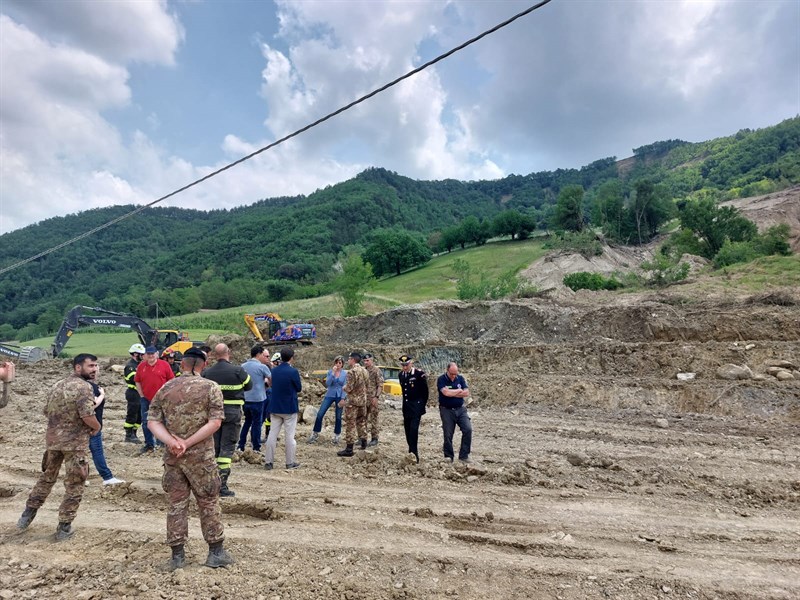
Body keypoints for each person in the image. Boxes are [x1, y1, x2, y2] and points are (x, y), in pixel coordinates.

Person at [147, 347, 234, 570]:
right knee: (208, 502)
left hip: (173, 457)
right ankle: (216, 552)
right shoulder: (210, 388)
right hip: (201, 458)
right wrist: (188, 443)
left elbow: (152, 421)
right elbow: (215, 423)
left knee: (176, 504)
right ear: (202, 365)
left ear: (181, 364)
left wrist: (173, 442)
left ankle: (177, 557)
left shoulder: (166, 388)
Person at [17, 353, 102, 541]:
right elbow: (87, 415)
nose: (95, 369)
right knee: (75, 484)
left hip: (53, 441)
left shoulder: (57, 385)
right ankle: (64, 527)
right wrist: (97, 427)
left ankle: (26, 516)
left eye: (96, 366)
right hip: (74, 444)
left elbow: (46, 411)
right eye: (91, 366)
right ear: (78, 367)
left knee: (46, 479)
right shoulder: (84, 388)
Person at [201, 343, 252, 497]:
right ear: (228, 353)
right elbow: (249, 386)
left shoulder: (208, 372)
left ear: (215, 355)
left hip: (213, 414)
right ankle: (221, 486)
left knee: (214, 448)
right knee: (227, 448)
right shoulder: (238, 370)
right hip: (232, 413)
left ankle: (210, 483)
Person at [264, 347, 302, 470]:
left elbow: (271, 384)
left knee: (272, 435)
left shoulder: (274, 371)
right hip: (289, 407)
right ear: (291, 358)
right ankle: (289, 462)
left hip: (275, 407)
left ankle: (268, 462)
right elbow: (298, 388)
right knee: (289, 436)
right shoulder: (293, 372)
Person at [135, 346, 174, 455]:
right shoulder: (141, 366)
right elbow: (137, 381)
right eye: (148, 354)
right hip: (146, 399)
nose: (151, 356)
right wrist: (141, 395)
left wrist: (167, 395)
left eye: (153, 354)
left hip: (162, 399)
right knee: (146, 422)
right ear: (145, 355)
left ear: (157, 354)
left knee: (162, 421)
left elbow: (171, 381)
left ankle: (161, 444)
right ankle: (149, 444)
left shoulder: (164, 365)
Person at [87, 374, 125, 485]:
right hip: (92, 425)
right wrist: (102, 395)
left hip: (84, 425)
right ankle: (107, 477)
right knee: (97, 451)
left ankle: (80, 478)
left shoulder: (82, 386)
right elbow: (91, 405)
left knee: (80, 453)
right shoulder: (92, 388)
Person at [238, 345, 272, 453]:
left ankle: (241, 445)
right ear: (258, 354)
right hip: (258, 399)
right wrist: (267, 386)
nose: (264, 357)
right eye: (263, 354)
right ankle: (256, 446)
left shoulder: (242, 366)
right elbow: (270, 379)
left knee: (247, 421)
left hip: (245, 398)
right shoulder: (262, 367)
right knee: (257, 423)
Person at [437, 362, 472, 463]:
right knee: (448, 434)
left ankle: (464, 456)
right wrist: (459, 391)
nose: (454, 376)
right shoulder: (441, 379)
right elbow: (445, 393)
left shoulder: (460, 378)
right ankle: (448, 456)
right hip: (446, 410)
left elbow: (466, 393)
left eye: (455, 374)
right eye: (452, 374)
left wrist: (453, 393)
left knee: (468, 429)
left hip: (460, 409)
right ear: (447, 371)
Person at [336, 351, 369, 457]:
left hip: (353, 402)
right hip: (362, 401)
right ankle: (364, 442)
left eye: (349, 359)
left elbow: (349, 388)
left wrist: (344, 388)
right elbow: (367, 385)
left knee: (350, 424)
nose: (348, 361)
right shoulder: (364, 371)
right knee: (361, 422)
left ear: (353, 360)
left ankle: (349, 448)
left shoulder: (351, 372)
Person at [307, 356, 346, 445]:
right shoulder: (330, 372)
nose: (338, 364)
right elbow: (328, 383)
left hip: (339, 395)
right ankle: (315, 433)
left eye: (340, 363)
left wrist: (343, 398)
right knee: (320, 413)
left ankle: (337, 435)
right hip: (330, 394)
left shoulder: (345, 374)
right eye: (337, 362)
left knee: (338, 416)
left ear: (342, 364)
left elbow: (345, 386)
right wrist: (333, 373)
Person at [398, 355, 428, 463]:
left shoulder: (419, 374)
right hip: (406, 407)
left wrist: (421, 405)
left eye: (406, 365)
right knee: (407, 430)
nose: (405, 367)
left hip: (416, 407)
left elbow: (425, 392)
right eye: (403, 365)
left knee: (413, 430)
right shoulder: (401, 375)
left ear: (411, 363)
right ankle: (411, 451)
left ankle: (414, 454)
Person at [122, 343, 145, 443]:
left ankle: (134, 433)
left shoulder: (139, 365)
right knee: (132, 413)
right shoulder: (130, 366)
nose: (143, 356)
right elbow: (133, 379)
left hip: (140, 393)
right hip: (133, 393)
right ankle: (128, 434)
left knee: (140, 414)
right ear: (136, 354)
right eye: (141, 354)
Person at [363, 353, 384, 447]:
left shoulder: (376, 370)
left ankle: (374, 438)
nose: (366, 362)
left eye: (368, 360)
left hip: (372, 398)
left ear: (372, 360)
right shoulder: (363, 371)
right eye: (364, 361)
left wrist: (376, 397)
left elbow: (380, 385)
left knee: (374, 419)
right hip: (363, 399)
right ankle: (362, 438)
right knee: (363, 419)